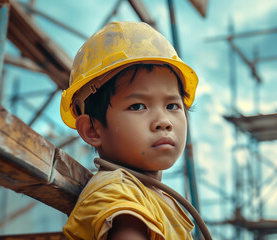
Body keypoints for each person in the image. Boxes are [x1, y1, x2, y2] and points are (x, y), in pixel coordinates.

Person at [59, 21, 199, 240]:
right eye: (138, 106)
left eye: (172, 106)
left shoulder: (156, 197)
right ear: (93, 129)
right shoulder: (117, 193)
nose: (163, 122)